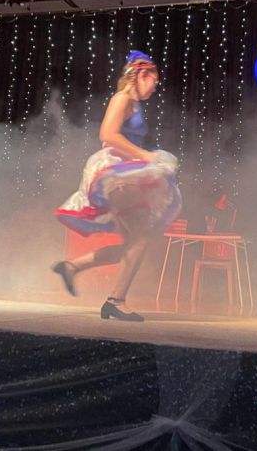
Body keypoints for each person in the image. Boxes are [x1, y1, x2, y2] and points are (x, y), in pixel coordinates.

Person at [54, 51, 181, 321]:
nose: (155, 87)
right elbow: (107, 135)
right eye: (154, 80)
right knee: (141, 238)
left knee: (133, 242)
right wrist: (145, 156)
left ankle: (72, 267)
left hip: (124, 173)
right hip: (116, 174)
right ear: (142, 75)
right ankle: (115, 300)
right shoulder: (122, 98)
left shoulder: (134, 104)